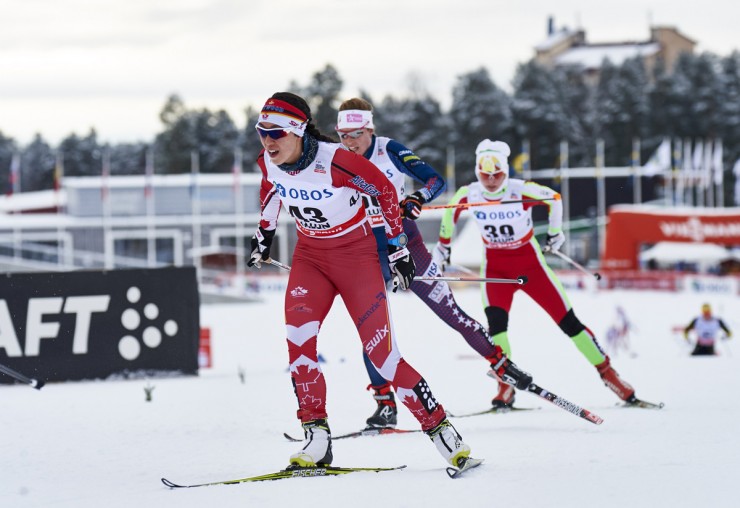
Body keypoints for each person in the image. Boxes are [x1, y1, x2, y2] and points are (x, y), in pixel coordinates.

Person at [248, 92, 475, 470]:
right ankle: (316, 437)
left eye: (276, 133)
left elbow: (385, 193)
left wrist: (399, 249)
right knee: (299, 344)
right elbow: (270, 191)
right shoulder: (268, 161)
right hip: (311, 258)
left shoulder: (336, 161)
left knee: (383, 357)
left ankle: (441, 430)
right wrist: (263, 235)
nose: (268, 141)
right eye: (261, 132)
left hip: (357, 259)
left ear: (299, 130)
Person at [335, 98, 533, 428]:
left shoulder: (389, 150)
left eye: (355, 133)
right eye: (342, 135)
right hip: (365, 251)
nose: (349, 142)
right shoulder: (337, 159)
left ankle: (500, 364)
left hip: (406, 244)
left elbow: (435, 181)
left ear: (370, 129)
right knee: (373, 330)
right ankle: (385, 403)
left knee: (448, 310)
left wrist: (416, 199)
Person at [434, 139, 639, 407]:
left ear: (506, 172)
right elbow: (449, 214)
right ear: (477, 172)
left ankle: (609, 375)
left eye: (498, 174)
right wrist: (443, 247)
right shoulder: (469, 194)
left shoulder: (520, 190)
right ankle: (505, 386)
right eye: (486, 175)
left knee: (569, 323)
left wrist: (556, 233)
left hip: (531, 267)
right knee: (496, 329)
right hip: (496, 270)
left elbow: (554, 199)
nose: (492, 180)